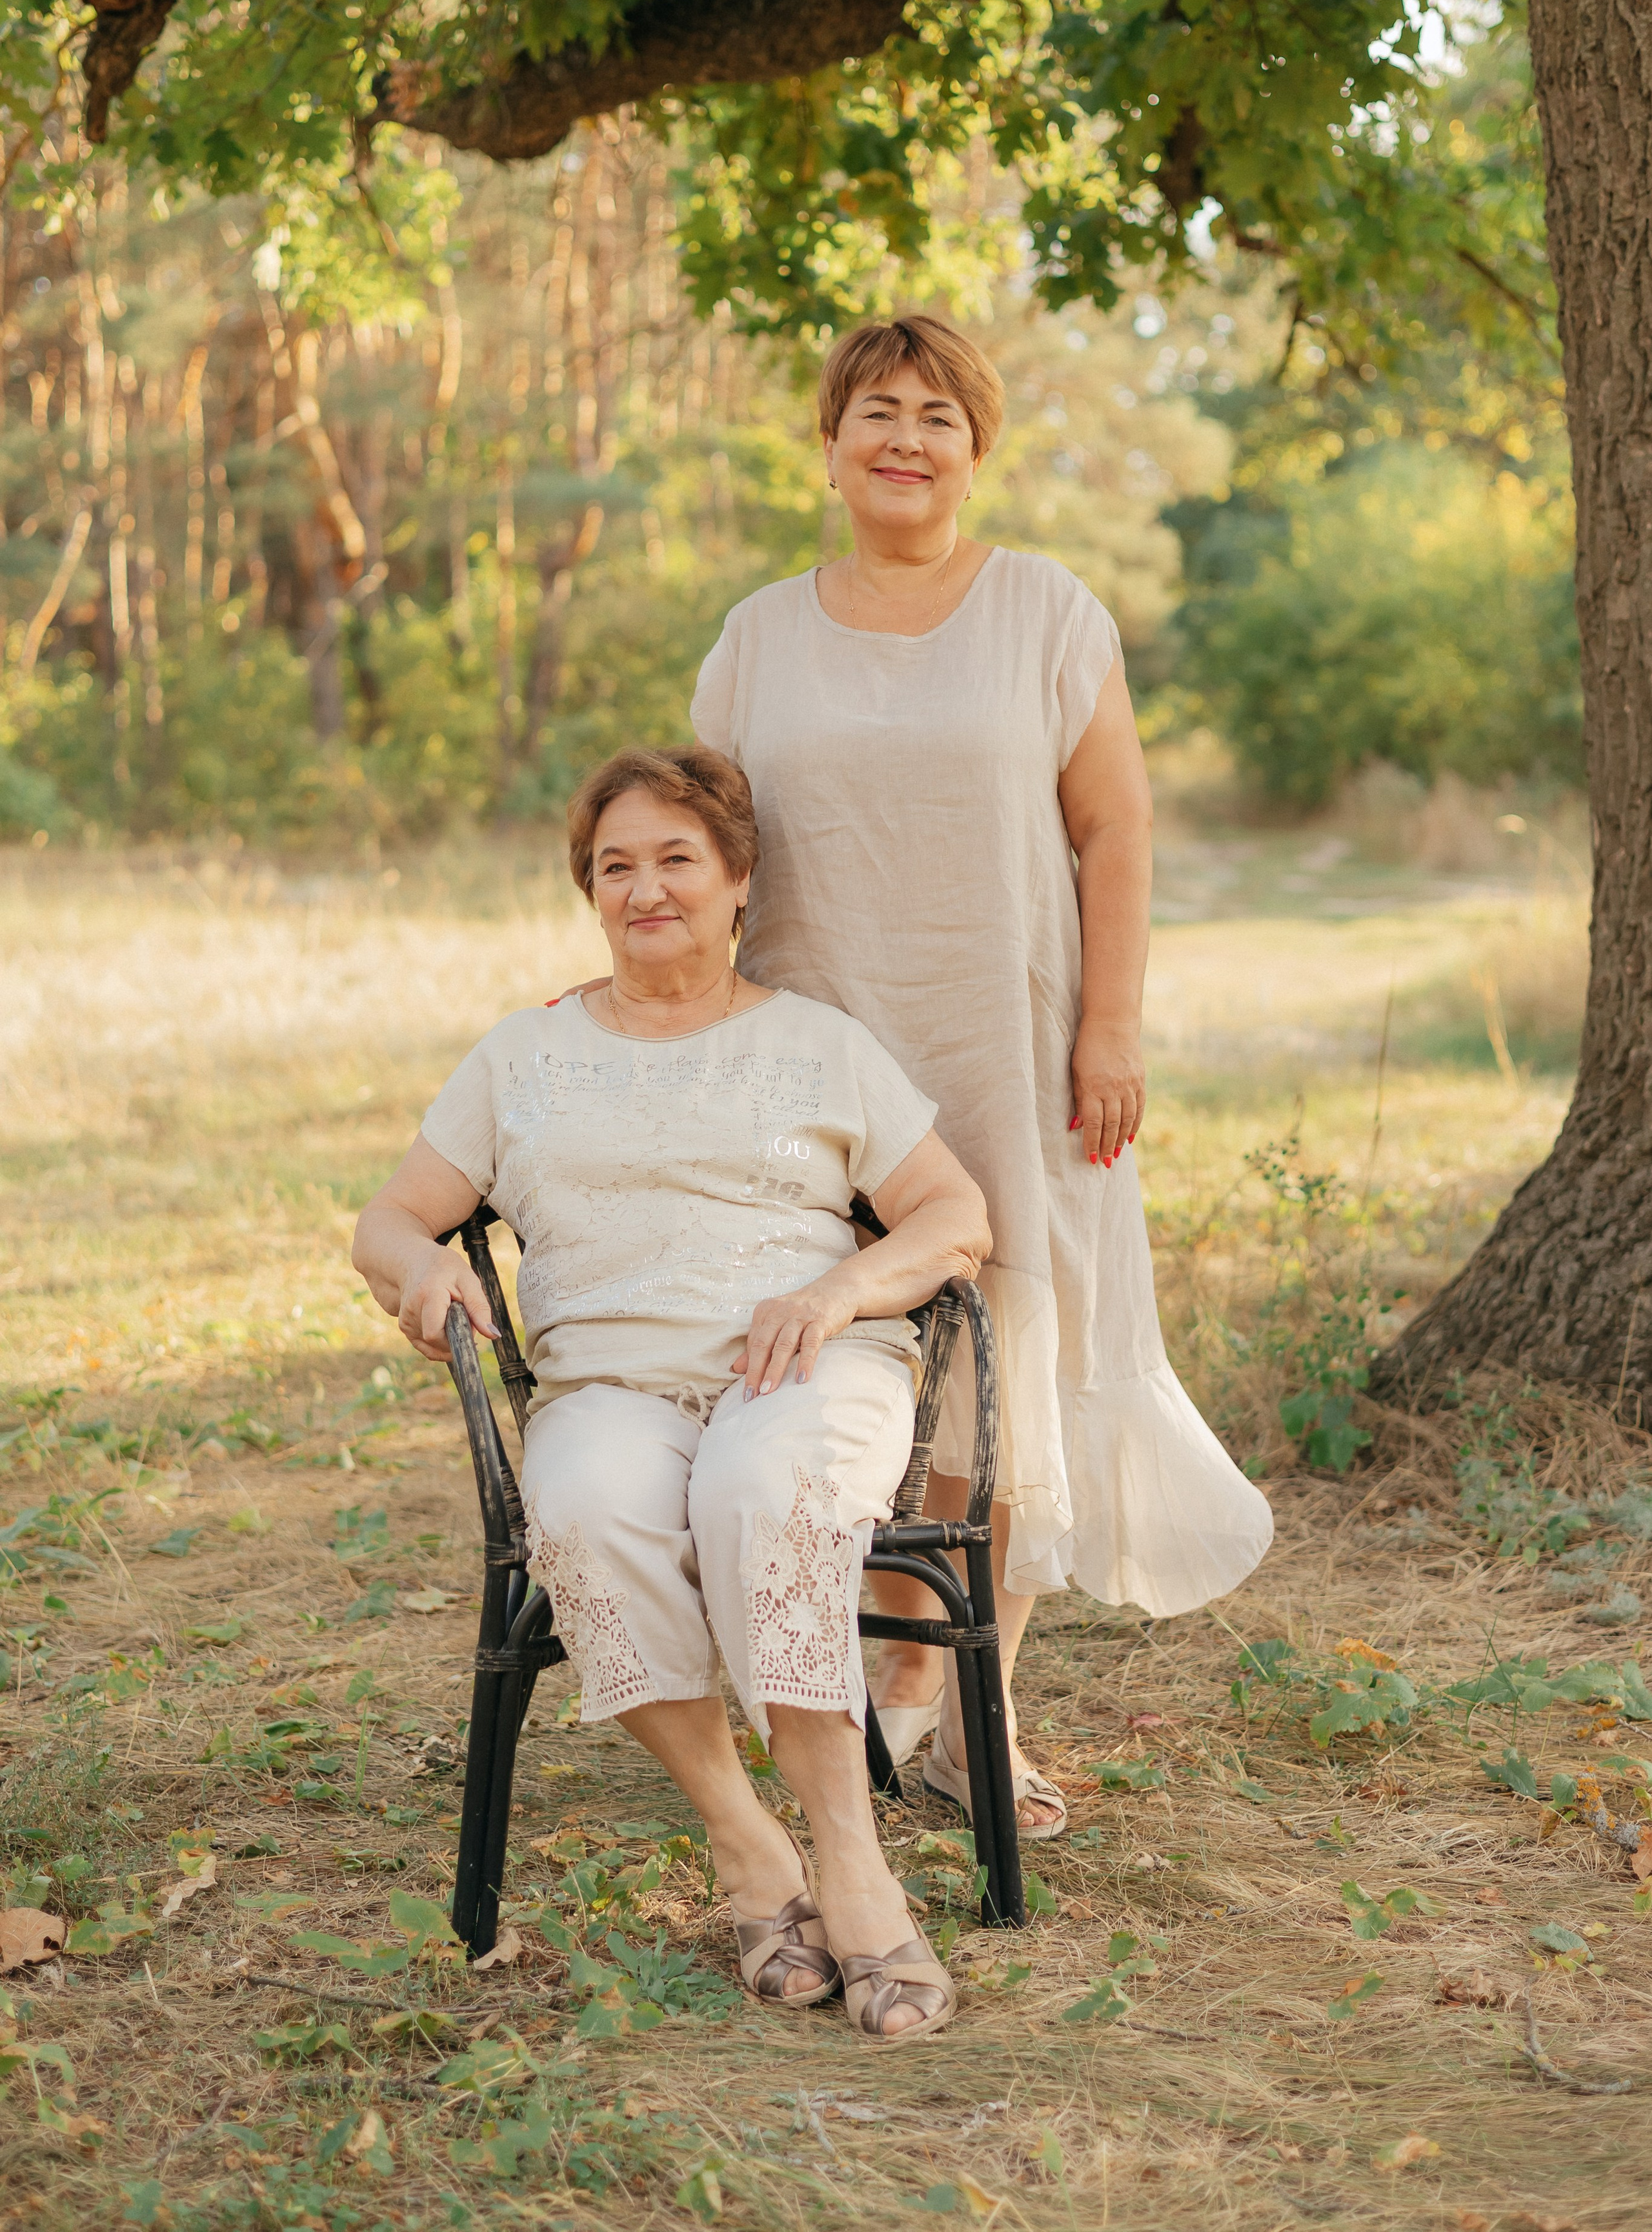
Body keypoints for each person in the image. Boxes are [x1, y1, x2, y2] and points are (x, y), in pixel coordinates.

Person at [690, 313, 1273, 1838]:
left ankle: (977, 1715)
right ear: (828, 445)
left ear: (975, 446)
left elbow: (1114, 832)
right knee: (851, 1375)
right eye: (874, 409)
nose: (903, 436)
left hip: (1012, 1044)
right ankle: (888, 1698)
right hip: (813, 1066)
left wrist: (1112, 1025)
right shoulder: (759, 634)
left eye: (936, 414)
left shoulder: (1044, 612)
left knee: (1009, 1375)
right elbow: (706, 847)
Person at [353, 745, 989, 2042]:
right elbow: (390, 1219)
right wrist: (418, 1270)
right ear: (588, 892)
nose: (646, 890)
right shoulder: (520, 1056)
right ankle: (748, 1848)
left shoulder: (816, 1042)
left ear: (738, 878)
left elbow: (953, 1213)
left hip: (799, 1368)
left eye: (675, 860)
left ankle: (851, 1866)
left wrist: (839, 1292)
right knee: (583, 1506)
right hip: (608, 1385)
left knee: (767, 1484)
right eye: (614, 866)